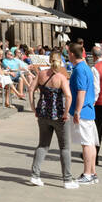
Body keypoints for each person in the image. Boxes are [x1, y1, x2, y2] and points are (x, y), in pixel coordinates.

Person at [27, 51, 76, 188]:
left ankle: (35, 175)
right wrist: (66, 112)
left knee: (42, 145)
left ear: (49, 61)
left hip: (43, 114)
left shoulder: (42, 74)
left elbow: (31, 89)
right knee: (65, 147)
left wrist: (33, 107)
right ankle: (67, 179)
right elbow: (69, 96)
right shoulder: (61, 77)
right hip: (59, 115)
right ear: (60, 62)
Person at [68, 41, 99, 184]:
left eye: (68, 53)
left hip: (83, 111)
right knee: (90, 143)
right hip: (88, 110)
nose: (67, 56)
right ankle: (92, 173)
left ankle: (87, 174)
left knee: (86, 143)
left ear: (72, 54)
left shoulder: (79, 69)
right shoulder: (86, 67)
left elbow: (81, 91)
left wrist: (77, 111)